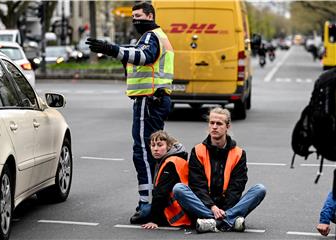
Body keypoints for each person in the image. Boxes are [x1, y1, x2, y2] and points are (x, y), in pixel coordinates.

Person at [86, 2, 174, 224]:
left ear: (151, 15)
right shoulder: (157, 35)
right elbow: (136, 53)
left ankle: (147, 205)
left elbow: (144, 57)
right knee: (154, 152)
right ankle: (157, 201)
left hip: (149, 99)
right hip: (155, 99)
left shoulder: (151, 36)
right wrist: (114, 49)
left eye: (139, 16)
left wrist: (111, 49)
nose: (135, 20)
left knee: (144, 152)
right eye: (133, 16)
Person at [172, 107, 266, 233]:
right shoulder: (198, 150)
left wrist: (224, 210)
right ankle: (229, 221)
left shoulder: (238, 153)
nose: (214, 127)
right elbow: (197, 185)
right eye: (212, 123)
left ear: (227, 126)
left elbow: (236, 187)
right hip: (204, 205)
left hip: (229, 206)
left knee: (260, 189)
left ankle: (214, 222)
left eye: (219, 123)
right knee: (178, 189)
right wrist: (212, 207)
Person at [141, 130, 191, 229]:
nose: (155, 149)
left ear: (168, 146)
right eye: (153, 145)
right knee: (145, 211)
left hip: (178, 210)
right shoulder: (171, 158)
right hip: (182, 205)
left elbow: (161, 192)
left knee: (144, 212)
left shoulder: (171, 163)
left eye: (160, 145)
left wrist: (154, 220)